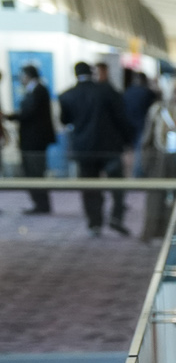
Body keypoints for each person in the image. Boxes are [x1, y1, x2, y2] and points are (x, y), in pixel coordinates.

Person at [60, 60, 133, 234]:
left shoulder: (67, 95)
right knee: (117, 184)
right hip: (110, 147)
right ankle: (116, 216)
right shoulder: (107, 91)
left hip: (84, 149)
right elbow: (121, 117)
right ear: (92, 73)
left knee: (90, 187)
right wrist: (127, 140)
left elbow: (65, 120)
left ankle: (94, 222)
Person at [140, 76, 176, 239]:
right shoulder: (157, 111)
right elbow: (147, 138)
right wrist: (146, 161)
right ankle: (153, 230)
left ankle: (173, 231)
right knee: (155, 197)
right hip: (159, 159)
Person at [13, 64, 53, 213]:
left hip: (35, 141)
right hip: (31, 140)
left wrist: (11, 116)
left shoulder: (39, 90)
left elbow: (29, 113)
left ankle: (42, 205)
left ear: (28, 76)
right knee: (32, 172)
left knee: (35, 173)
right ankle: (39, 204)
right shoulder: (34, 90)